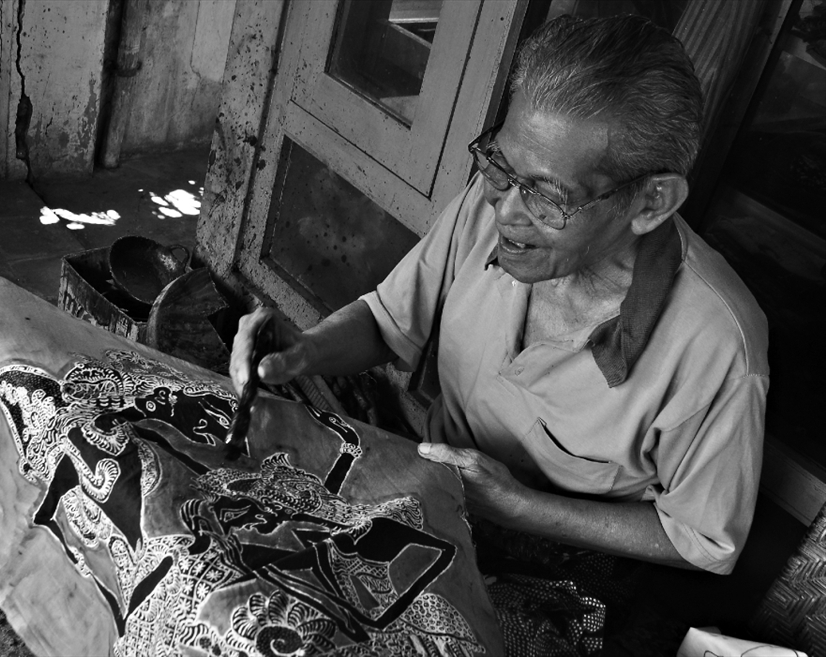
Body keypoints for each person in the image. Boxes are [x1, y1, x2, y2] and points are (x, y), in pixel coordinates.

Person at [230, 13, 768, 590]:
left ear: (651, 202)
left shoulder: (716, 345)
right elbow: (387, 322)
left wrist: (520, 508)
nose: (506, 211)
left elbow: (704, 541)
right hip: (426, 475)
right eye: (501, 168)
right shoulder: (503, 209)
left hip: (551, 564)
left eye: (546, 196)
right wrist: (307, 351)